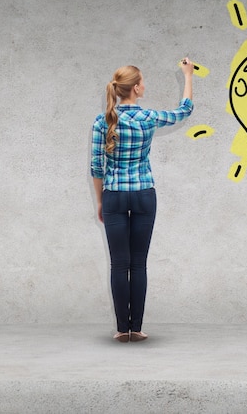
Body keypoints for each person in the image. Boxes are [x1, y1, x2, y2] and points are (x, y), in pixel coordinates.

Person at [91, 59, 194, 342]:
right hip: (144, 194)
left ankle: (122, 329)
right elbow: (184, 110)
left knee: (118, 264)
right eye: (143, 82)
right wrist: (188, 76)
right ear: (136, 88)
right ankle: (136, 328)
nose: (144, 85)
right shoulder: (148, 118)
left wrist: (101, 202)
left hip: (113, 194)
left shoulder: (103, 121)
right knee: (138, 264)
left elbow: (96, 168)